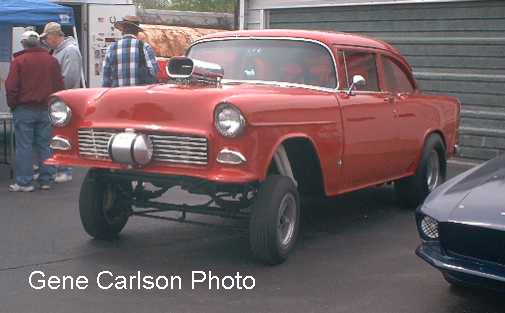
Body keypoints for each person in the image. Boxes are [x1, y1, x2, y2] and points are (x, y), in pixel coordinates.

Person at [5, 31, 64, 192]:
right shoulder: (51, 60)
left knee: (24, 146)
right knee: (46, 145)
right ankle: (46, 180)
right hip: (46, 109)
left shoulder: (19, 61)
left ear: (23, 44)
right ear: (39, 42)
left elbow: (11, 87)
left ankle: (25, 182)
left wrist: (13, 105)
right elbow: (59, 86)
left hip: (24, 109)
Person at [40, 22, 83, 183]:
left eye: (47, 37)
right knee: (57, 136)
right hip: (59, 100)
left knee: (63, 136)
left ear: (55, 35)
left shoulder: (70, 51)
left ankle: (65, 169)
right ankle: (61, 168)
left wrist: (55, 91)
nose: (46, 41)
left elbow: (70, 78)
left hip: (65, 100)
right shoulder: (59, 51)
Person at [102, 16, 159, 87]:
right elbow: (154, 73)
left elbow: (106, 79)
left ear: (123, 30)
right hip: (139, 95)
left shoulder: (111, 48)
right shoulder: (145, 47)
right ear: (137, 31)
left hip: (117, 95)